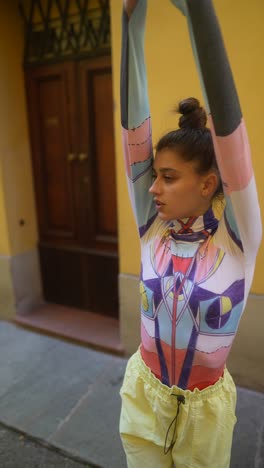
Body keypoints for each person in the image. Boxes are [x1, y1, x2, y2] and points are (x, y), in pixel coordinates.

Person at [119, 1, 262, 467]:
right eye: (154, 176)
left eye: (169, 177)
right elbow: (132, 129)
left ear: (207, 183)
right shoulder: (150, 228)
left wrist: (198, 8)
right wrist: (131, 23)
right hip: (144, 395)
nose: (153, 188)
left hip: (206, 417)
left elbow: (230, 133)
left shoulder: (238, 241)